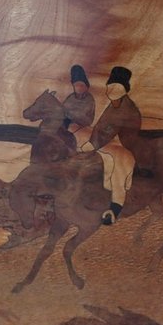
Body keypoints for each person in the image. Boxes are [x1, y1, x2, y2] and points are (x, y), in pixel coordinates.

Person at [82, 66, 140, 225]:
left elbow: (111, 128)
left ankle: (114, 210)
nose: (111, 90)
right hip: (111, 143)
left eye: (116, 87)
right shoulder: (113, 105)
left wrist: (93, 144)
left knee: (118, 173)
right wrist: (91, 142)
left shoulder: (127, 108)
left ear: (124, 90)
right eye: (110, 86)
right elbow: (101, 126)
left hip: (126, 147)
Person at [62, 64, 96, 148]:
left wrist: (69, 114)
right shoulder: (71, 97)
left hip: (81, 125)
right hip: (67, 122)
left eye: (81, 85)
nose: (79, 88)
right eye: (76, 85)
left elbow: (83, 115)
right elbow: (63, 109)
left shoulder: (89, 99)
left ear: (86, 87)